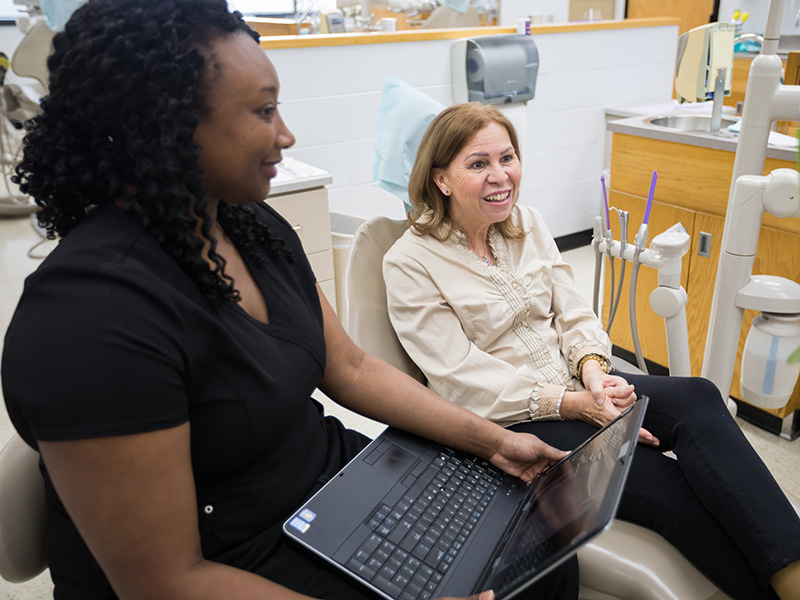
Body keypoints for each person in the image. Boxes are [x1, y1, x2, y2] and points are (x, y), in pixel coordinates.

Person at [0, 3, 579, 599]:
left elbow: (350, 368)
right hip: (231, 557)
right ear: (167, 126)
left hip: (329, 497)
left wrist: (493, 441)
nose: (286, 135)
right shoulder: (90, 316)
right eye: (263, 111)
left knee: (541, 554)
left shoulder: (250, 226)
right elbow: (166, 582)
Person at [383, 102, 800, 600]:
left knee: (698, 397)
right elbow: (459, 376)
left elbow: (573, 309)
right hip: (510, 425)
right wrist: (571, 404)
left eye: (507, 158)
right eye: (478, 164)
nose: (501, 176)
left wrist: (593, 371)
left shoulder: (527, 224)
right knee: (662, 482)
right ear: (441, 180)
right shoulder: (409, 262)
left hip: (577, 386)